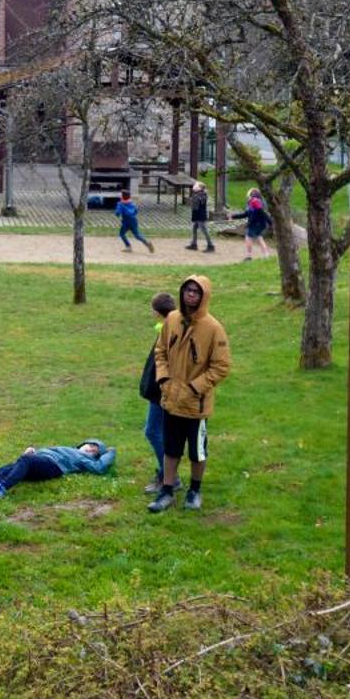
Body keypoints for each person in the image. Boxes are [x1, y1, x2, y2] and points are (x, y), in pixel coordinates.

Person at [149, 274, 231, 513]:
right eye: (188, 290)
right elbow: (160, 350)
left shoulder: (213, 328)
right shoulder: (172, 319)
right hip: (171, 400)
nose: (191, 295)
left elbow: (221, 366)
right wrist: (163, 378)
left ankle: (195, 490)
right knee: (170, 448)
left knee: (197, 451)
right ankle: (166, 490)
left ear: (203, 296)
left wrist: (195, 388)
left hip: (196, 406)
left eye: (196, 291)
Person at [0, 439, 116, 499]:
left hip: (53, 467)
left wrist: (110, 452)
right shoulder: (67, 448)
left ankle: (1, 489)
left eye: (96, 451)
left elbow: (100, 468)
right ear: (83, 443)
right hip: (38, 462)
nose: (91, 450)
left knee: (25, 460)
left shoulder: (83, 459)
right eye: (91, 445)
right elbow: (31, 459)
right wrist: (30, 453)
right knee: (5, 468)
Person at [139, 291, 176, 493]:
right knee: (160, 432)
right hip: (160, 390)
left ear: (156, 312)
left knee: (153, 431)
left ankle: (169, 476)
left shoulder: (169, 331)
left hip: (162, 391)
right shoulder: (166, 328)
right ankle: (167, 474)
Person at [231, 191, 273, 260]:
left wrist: (270, 222)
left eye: (249, 195)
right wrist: (233, 216)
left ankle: (249, 256)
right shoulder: (253, 203)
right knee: (259, 238)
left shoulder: (255, 202)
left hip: (256, 224)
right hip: (259, 224)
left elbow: (262, 212)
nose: (248, 197)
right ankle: (266, 255)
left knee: (248, 238)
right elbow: (246, 214)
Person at [115, 189, 154, 253]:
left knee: (122, 234)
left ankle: (128, 247)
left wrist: (118, 213)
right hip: (134, 220)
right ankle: (147, 242)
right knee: (137, 235)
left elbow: (117, 213)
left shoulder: (120, 204)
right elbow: (136, 211)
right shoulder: (132, 203)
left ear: (122, 197)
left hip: (126, 221)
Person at [185, 181, 213, 252]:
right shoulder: (196, 194)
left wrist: (196, 194)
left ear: (200, 188)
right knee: (194, 228)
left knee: (204, 230)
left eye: (196, 185)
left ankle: (211, 245)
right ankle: (194, 244)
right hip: (196, 214)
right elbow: (193, 205)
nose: (194, 186)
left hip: (201, 215)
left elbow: (200, 200)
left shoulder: (203, 194)